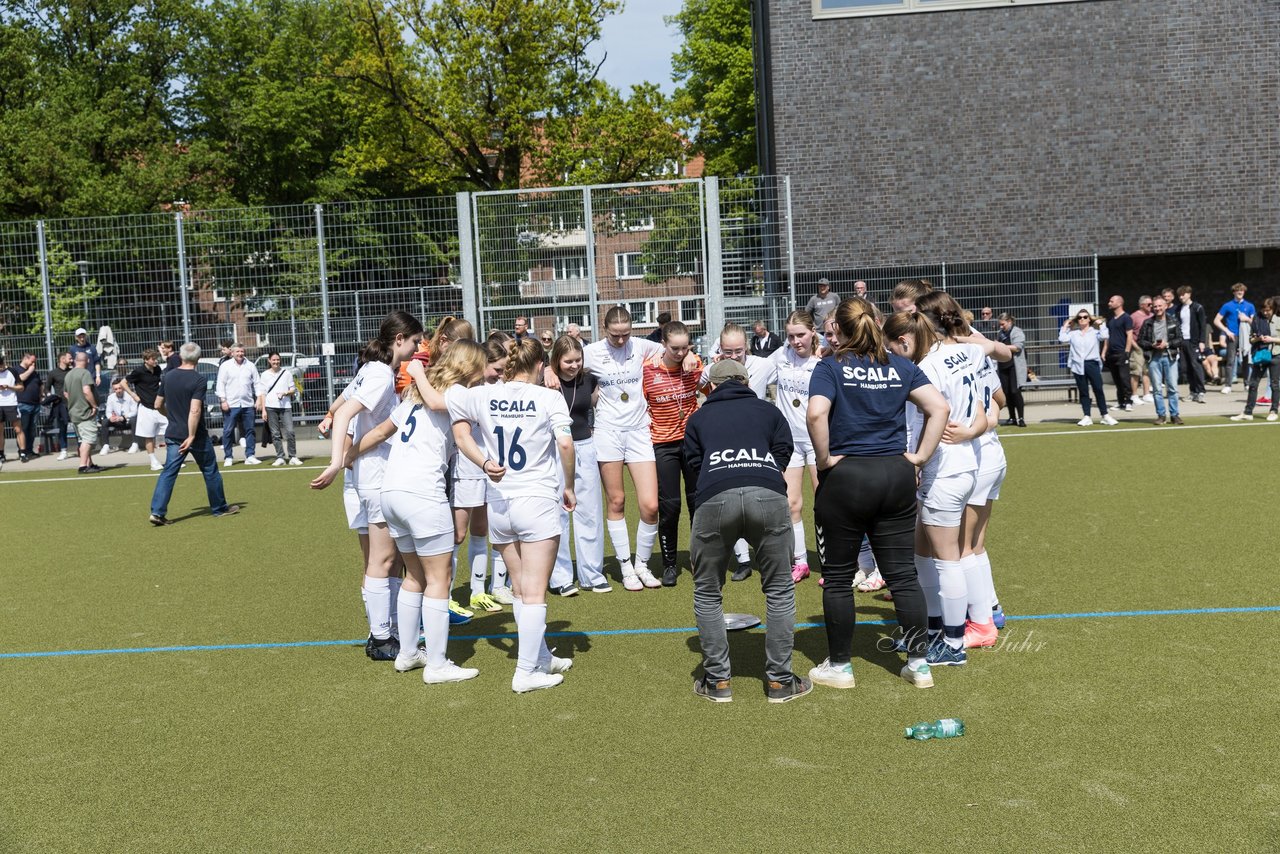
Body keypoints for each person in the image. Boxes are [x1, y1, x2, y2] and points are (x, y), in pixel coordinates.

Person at [807, 298, 949, 691]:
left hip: (848, 475)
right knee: (902, 575)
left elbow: (817, 414)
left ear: (842, 330)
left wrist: (823, 460)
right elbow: (939, 408)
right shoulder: (900, 365)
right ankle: (919, 664)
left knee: (837, 577)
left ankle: (840, 666)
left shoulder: (830, 366)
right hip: (895, 475)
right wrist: (918, 457)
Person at [348, 341, 487, 683]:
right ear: (468, 368)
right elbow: (446, 413)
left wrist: (347, 456)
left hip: (391, 493)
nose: (485, 375)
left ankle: (408, 653)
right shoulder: (455, 394)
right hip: (423, 494)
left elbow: (382, 431)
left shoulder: (412, 394)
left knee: (414, 577)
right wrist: (486, 462)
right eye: (481, 368)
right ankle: (437, 664)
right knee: (440, 580)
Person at [450, 338, 577, 693]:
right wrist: (569, 486)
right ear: (540, 366)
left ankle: (538, 657)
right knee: (535, 592)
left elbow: (457, 424)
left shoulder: (482, 394)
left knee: (520, 588)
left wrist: (484, 462)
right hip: (536, 498)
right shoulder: (549, 397)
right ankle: (526, 672)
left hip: (500, 500)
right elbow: (566, 444)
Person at [682, 358, 810, 703]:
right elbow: (784, 450)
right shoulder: (768, 411)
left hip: (714, 498)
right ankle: (781, 682)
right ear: (745, 380)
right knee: (780, 589)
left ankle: (718, 682)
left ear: (712, 387)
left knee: (708, 591)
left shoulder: (699, 416)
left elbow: (692, 461)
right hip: (767, 492)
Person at [899, 290, 1009, 667]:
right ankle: (935, 631)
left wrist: (915, 462)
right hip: (969, 461)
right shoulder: (971, 351)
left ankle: (954, 640)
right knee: (927, 550)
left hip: (946, 466)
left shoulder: (928, 365)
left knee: (952, 556)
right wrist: (975, 428)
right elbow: (986, 403)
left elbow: (929, 418)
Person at [311, 311, 426, 661]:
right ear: (399, 340)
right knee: (384, 558)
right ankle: (380, 638)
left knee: (386, 560)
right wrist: (336, 460)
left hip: (368, 475)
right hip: (375, 475)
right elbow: (346, 414)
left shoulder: (373, 370)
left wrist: (329, 414)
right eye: (416, 340)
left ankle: (387, 629)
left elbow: (340, 405)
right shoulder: (378, 374)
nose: (419, 347)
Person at [574, 305, 694, 590]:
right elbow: (562, 359)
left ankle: (642, 564)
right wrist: (551, 372)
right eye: (615, 335)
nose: (620, 340)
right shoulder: (591, 352)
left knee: (651, 505)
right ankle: (625, 566)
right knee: (616, 502)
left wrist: (690, 354)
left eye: (625, 334)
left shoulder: (641, 346)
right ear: (604, 330)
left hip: (640, 431)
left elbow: (673, 349)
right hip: (608, 432)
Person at [701, 322, 779, 580]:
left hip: (758, 442)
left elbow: (791, 375)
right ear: (719, 349)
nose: (733, 357)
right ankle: (743, 560)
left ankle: (770, 554)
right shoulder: (713, 369)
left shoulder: (765, 364)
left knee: (762, 499)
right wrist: (691, 361)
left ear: (747, 347)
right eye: (727, 352)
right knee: (731, 499)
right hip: (726, 443)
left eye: (737, 351)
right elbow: (691, 379)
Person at [642, 320, 704, 587]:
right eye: (675, 348)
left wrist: (692, 356)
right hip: (662, 444)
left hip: (691, 443)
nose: (680, 353)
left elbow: (709, 390)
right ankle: (669, 564)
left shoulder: (695, 364)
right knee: (670, 506)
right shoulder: (647, 369)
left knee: (697, 502)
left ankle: (700, 560)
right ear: (663, 345)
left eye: (684, 348)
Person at [148, 343, 239, 524]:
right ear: (198, 358)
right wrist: (190, 435)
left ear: (181, 357)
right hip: (195, 435)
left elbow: (157, 404)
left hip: (173, 433)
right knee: (210, 470)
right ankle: (219, 508)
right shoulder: (199, 380)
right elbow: (195, 410)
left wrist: (171, 418)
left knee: (169, 472)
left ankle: (157, 512)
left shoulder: (167, 376)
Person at [548, 335, 610, 595]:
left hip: (584, 446)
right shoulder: (546, 381)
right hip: (554, 450)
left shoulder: (590, 379)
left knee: (590, 512)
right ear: (556, 361)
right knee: (557, 513)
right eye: (567, 361)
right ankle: (560, 577)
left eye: (578, 360)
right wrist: (544, 368)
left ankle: (592, 574)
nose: (573, 366)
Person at [769, 311, 822, 583]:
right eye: (791, 336)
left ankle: (833, 561)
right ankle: (800, 561)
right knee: (790, 504)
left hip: (819, 441)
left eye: (801, 334)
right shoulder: (780, 355)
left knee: (825, 502)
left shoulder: (825, 358)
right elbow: (752, 369)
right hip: (789, 443)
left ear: (813, 331)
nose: (795, 341)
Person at [1059, 309, 1117, 427]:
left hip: (1092, 364)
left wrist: (1101, 324)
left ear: (1089, 319)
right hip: (1078, 365)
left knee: (1098, 389)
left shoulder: (1095, 332)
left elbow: (1105, 335)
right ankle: (1087, 416)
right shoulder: (1073, 333)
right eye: (1079, 318)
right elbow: (1062, 339)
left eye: (1085, 317)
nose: (1082, 319)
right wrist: (1065, 325)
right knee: (1083, 391)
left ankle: (1105, 415)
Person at [1231, 297, 1280, 422]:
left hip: (1275, 355)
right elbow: (1250, 339)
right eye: (1264, 310)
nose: (1265, 313)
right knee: (1253, 384)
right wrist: (1257, 338)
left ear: (1273, 309)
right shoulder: (1257, 319)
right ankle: (1248, 412)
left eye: (1268, 310)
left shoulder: (1279, 319)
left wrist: (1272, 339)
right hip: (1261, 355)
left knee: (1274, 384)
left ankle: (1274, 410)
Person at [1139, 295, 1184, 425]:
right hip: (1154, 357)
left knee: (1172, 388)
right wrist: (1151, 345)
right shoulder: (1147, 323)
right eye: (1155, 306)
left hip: (1170, 356)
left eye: (1160, 306)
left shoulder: (1173, 321)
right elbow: (1140, 340)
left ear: (1165, 306)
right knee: (1157, 389)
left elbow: (1180, 339)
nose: (1157, 308)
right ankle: (1161, 415)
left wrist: (1168, 344)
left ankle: (1175, 415)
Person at [216, 343, 262, 465]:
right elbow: (220, 384)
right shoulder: (225, 366)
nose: (240, 354)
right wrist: (223, 400)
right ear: (232, 353)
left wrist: (258, 399)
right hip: (231, 404)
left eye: (242, 351)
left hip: (247, 404)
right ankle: (228, 457)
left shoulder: (251, 366)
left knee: (250, 430)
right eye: (237, 352)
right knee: (228, 431)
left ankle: (250, 455)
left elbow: (257, 383)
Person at [256, 351, 301, 466]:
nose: (276, 362)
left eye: (277, 360)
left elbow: (293, 390)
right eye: (274, 360)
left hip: (285, 407)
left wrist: (285, 393)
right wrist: (264, 410)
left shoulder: (287, 373)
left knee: (290, 432)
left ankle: (293, 456)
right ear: (269, 361)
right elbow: (262, 393)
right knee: (275, 433)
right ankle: (280, 456)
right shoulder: (265, 374)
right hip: (271, 407)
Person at [126, 349, 167, 470]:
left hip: (159, 407)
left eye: (156, 358)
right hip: (146, 408)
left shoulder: (158, 369)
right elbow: (124, 383)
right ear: (146, 360)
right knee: (148, 435)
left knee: (169, 432)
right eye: (153, 359)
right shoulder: (138, 372)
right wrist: (133, 395)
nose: (155, 361)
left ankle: (172, 459)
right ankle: (153, 461)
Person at [1213, 283, 1256, 394]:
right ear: (1233, 292)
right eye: (1237, 290)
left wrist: (1246, 318)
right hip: (1232, 336)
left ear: (1244, 292)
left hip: (1246, 336)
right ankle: (1228, 385)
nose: (1240, 292)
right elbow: (1216, 320)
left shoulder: (1250, 306)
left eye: (1242, 290)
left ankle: (1247, 384)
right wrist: (1227, 331)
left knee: (1246, 360)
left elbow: (1254, 323)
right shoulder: (1227, 305)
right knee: (1230, 360)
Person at [64, 352, 102, 474]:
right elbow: (86, 391)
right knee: (88, 440)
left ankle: (89, 463)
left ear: (75, 360)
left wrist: (74, 403)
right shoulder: (85, 373)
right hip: (85, 412)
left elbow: (66, 394)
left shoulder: (68, 375)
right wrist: (94, 406)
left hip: (74, 412)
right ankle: (82, 466)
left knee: (83, 439)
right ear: (87, 361)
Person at [1176, 286, 1210, 403]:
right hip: (1183, 341)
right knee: (1187, 368)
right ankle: (1193, 392)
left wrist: (1202, 341)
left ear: (1189, 294)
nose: (1181, 297)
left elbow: (1203, 326)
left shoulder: (1198, 307)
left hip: (1194, 341)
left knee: (1196, 366)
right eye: (1179, 295)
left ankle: (1201, 391)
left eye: (1183, 294)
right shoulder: (1179, 309)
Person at [1102, 295, 1134, 410]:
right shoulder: (1111, 321)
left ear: (1119, 303)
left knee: (1124, 378)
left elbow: (1130, 335)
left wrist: (1127, 351)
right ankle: (1120, 402)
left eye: (1112, 301)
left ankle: (1128, 401)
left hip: (1121, 352)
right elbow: (1107, 337)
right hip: (1112, 354)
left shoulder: (1126, 318)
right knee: (1116, 379)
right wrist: (1104, 351)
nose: (1109, 303)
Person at [996, 313, 1027, 426]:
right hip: (1003, 366)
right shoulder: (1000, 333)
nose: (1001, 327)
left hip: (1014, 366)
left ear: (1009, 322)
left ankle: (1021, 418)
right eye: (1000, 324)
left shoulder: (1017, 332)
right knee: (1007, 393)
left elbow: (1017, 347)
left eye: (1003, 324)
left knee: (1015, 391)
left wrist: (1000, 347)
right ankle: (1012, 418)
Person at [0, 354, 27, 465]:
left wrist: (8, 387)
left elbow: (21, 387)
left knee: (18, 429)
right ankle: (1, 454)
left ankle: (23, 453)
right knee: (0, 430)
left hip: (11, 404)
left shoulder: (12, 371)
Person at [13, 352, 41, 461]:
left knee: (32, 429)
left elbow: (39, 383)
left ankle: (29, 450)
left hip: (35, 403)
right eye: (32, 361)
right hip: (23, 403)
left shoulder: (34, 372)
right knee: (23, 429)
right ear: (26, 359)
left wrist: (41, 393)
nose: (34, 364)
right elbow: (20, 379)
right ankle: (22, 451)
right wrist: (30, 371)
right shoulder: (16, 370)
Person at [45, 352, 72, 459]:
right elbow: (47, 387)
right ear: (62, 359)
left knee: (77, 426)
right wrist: (51, 396)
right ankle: (64, 450)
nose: (71, 360)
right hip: (60, 404)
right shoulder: (53, 373)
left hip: (73, 403)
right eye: (69, 358)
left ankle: (81, 448)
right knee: (62, 427)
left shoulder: (72, 371)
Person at [101, 378, 138, 453]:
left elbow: (134, 411)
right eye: (116, 389)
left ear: (123, 388)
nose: (118, 390)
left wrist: (123, 417)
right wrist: (111, 418)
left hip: (128, 420)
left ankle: (135, 444)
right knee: (105, 421)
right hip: (117, 421)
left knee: (134, 419)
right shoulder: (110, 397)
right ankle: (106, 446)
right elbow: (108, 411)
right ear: (113, 389)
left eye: (120, 388)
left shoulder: (130, 396)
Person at [1129, 296, 1153, 404]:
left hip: (1149, 348)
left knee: (1147, 371)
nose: (1151, 306)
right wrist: (1135, 346)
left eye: (1151, 304)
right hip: (1137, 348)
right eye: (1148, 304)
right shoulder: (1134, 317)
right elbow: (1128, 333)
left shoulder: (1153, 316)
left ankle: (1146, 394)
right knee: (1135, 372)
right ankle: (1134, 395)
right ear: (1141, 305)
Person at [68, 328, 102, 399]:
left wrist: (98, 376)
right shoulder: (72, 349)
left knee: (91, 396)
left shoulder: (92, 347)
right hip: (78, 378)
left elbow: (97, 362)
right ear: (76, 337)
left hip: (91, 377)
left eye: (83, 336)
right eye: (80, 337)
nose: (82, 338)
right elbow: (70, 363)